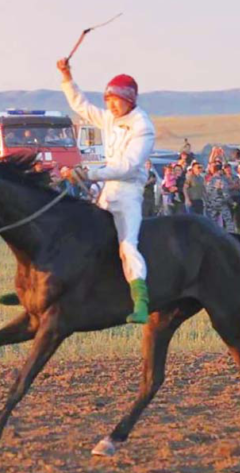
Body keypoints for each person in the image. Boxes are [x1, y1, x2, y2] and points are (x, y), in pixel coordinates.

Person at [58, 57, 155, 324]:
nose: (109, 105)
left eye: (115, 99)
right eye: (107, 99)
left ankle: (141, 303)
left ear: (129, 100)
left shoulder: (142, 127)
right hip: (107, 190)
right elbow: (81, 106)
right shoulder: (111, 119)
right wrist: (67, 77)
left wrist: (89, 173)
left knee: (127, 246)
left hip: (128, 193)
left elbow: (127, 166)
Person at [206, 161, 235, 232]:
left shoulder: (210, 180)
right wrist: (231, 202)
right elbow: (225, 193)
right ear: (219, 171)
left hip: (212, 203)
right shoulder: (222, 180)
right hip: (222, 203)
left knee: (213, 221)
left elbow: (208, 192)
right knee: (228, 220)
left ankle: (212, 234)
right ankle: (231, 235)